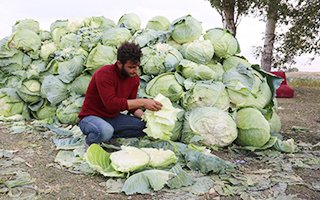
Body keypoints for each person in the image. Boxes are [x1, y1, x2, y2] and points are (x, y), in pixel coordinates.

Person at [78, 41, 162, 145]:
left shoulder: (134, 79)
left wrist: (148, 118)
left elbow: (132, 108)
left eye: (137, 67)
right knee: (105, 131)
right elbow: (111, 104)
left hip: (112, 118)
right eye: (131, 67)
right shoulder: (104, 74)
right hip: (91, 117)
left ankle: (106, 135)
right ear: (119, 64)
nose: (135, 71)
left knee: (145, 127)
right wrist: (143, 102)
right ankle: (91, 141)